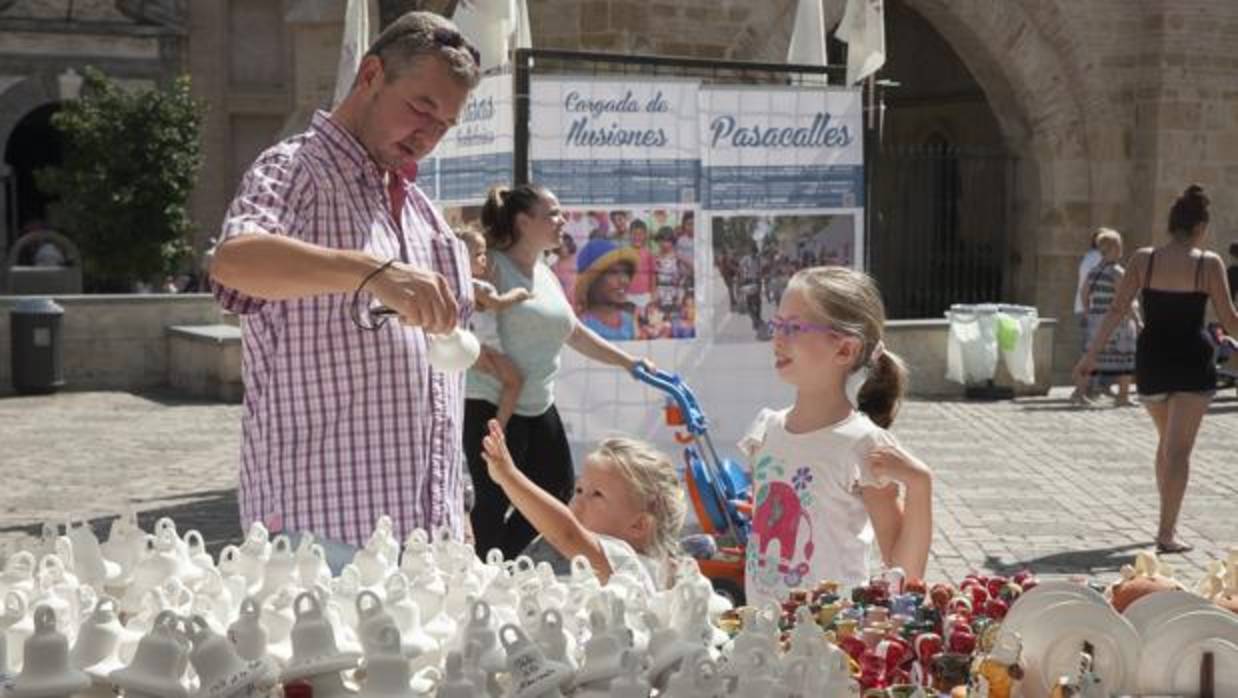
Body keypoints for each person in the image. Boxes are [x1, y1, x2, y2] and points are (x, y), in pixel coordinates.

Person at [206, 12, 481, 566]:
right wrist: (370, 271)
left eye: (444, 125)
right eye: (421, 108)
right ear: (372, 75)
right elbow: (233, 263)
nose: (428, 135)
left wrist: (461, 507)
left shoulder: (423, 214)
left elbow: (440, 382)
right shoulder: (296, 170)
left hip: (432, 537)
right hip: (322, 534)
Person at [464, 183, 651, 561]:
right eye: (552, 213)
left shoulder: (545, 273)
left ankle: (497, 563)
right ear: (522, 221)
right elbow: (461, 315)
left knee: (558, 487)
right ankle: (486, 575)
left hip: (537, 403)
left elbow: (575, 333)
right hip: (493, 404)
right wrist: (479, 355)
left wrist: (629, 362)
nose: (562, 220)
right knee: (493, 500)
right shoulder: (494, 266)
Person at [740, 266, 933, 606]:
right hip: (763, 638)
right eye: (778, 324)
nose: (778, 338)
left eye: (794, 327)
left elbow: (904, 573)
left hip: (829, 647)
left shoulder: (863, 445)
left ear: (844, 350)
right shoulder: (765, 430)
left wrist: (920, 485)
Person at [1076, 185, 1238, 554]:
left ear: (1171, 225)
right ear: (1201, 227)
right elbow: (1230, 321)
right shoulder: (1208, 263)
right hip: (1192, 361)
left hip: (1153, 360)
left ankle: (1166, 523)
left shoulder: (1142, 259)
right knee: (1178, 451)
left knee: (1167, 445)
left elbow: (1117, 311)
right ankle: (1166, 532)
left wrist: (1090, 357)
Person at [481, 422, 685, 591]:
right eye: (578, 490)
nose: (578, 501)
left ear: (639, 525)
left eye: (597, 494)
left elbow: (567, 534)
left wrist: (509, 476)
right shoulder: (569, 547)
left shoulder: (627, 565)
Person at [456, 224, 532, 427]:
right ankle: (499, 425)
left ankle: (497, 425)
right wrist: (519, 293)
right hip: (485, 345)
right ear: (461, 259)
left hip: (473, 346)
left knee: (507, 380)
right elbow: (498, 304)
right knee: (515, 382)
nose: (484, 259)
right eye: (478, 255)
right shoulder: (475, 286)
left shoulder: (454, 285)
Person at [1073, 228, 1139, 407]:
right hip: (1116, 321)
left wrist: (1088, 310)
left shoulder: (1094, 271)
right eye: (1119, 246)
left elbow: (1084, 292)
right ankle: (1123, 396)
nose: (1121, 249)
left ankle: (1080, 393)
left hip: (1096, 318)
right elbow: (1126, 299)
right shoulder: (1117, 271)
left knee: (1092, 356)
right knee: (1125, 356)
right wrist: (1137, 320)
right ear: (1114, 249)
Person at [577, 238, 640, 341]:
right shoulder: (580, 327)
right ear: (593, 282)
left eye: (626, 273)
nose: (624, 280)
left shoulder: (629, 321)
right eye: (613, 273)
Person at [1071, 229, 1105, 402]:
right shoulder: (1098, 259)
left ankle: (1090, 388)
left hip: (1087, 308)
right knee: (1091, 351)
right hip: (1092, 309)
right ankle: (1081, 390)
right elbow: (1089, 287)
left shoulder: (1089, 257)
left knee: (1091, 350)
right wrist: (1088, 310)